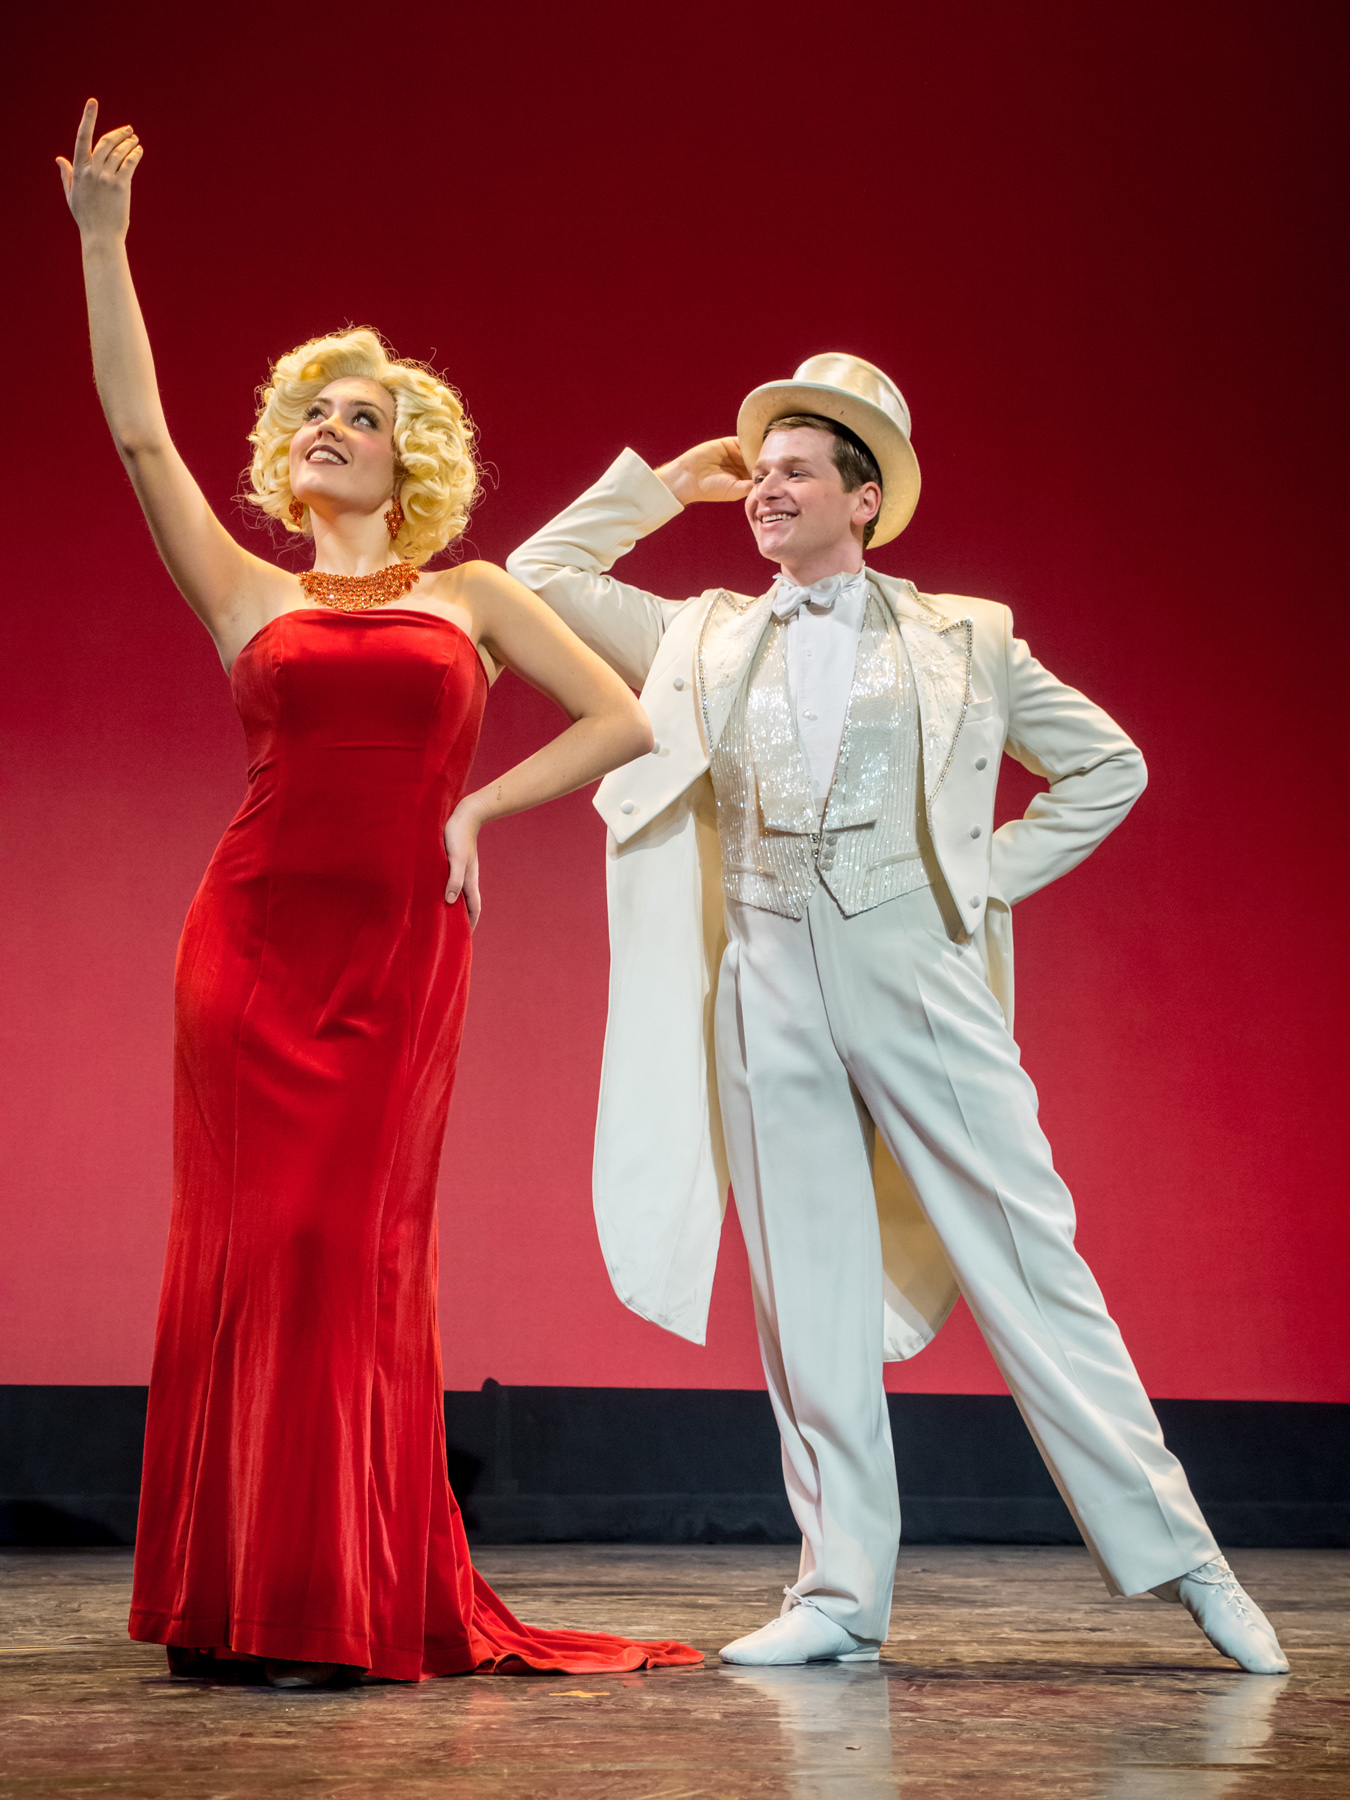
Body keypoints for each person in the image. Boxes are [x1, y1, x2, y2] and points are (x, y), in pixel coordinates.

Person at [505, 352, 1289, 1674]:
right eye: (758, 471)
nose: (765, 488)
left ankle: (1188, 1559)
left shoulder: (964, 638)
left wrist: (974, 882)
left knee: (1029, 1260)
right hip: (763, 983)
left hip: (913, 971)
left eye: (794, 470)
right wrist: (654, 490)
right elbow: (532, 586)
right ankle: (837, 1593)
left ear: (862, 499)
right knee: (802, 1292)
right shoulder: (697, 631)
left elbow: (1109, 762)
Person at [56, 100, 699, 1686]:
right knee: (247, 1247)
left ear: (409, 456)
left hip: (400, 950)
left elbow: (623, 719)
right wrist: (101, 241)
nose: (334, 426)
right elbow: (140, 436)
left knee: (347, 1250)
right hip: (249, 940)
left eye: (364, 413)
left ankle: (325, 1596)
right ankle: (234, 1603)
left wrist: (481, 801)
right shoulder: (248, 587)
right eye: (316, 412)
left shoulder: (472, 594)